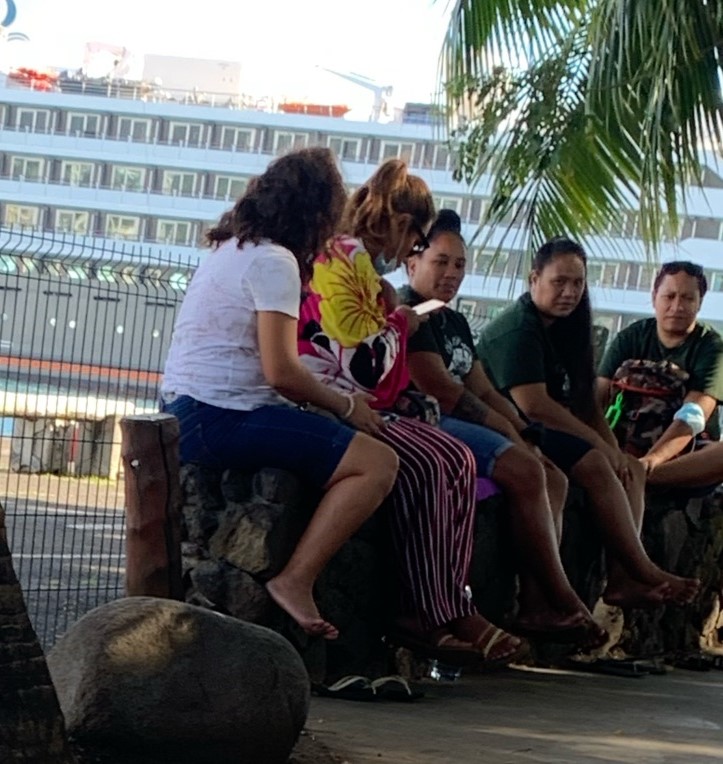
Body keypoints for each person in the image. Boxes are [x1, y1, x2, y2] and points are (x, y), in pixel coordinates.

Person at [159, 147, 399, 640]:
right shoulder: (275, 262)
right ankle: (296, 578)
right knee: (376, 463)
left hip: (189, 410)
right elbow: (281, 372)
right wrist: (347, 406)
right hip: (217, 417)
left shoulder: (232, 249)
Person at [297, 159, 526, 664]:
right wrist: (399, 321)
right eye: (420, 243)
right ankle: (430, 609)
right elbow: (364, 366)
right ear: (403, 228)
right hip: (331, 402)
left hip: (348, 400)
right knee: (437, 458)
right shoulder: (346, 261)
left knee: (454, 459)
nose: (414, 252)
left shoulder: (349, 260)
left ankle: (443, 605)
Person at [399, 209, 603, 643]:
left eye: (459, 264)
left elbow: (485, 388)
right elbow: (442, 389)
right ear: (412, 263)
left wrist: (522, 430)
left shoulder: (451, 320)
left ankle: (535, 605)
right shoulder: (408, 311)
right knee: (526, 469)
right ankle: (563, 594)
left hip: (472, 420)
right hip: (434, 421)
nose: (451, 273)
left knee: (553, 476)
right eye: (441, 261)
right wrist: (508, 434)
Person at [479, 237, 699, 608]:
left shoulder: (571, 326)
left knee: (627, 466)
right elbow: (535, 406)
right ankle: (642, 568)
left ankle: (622, 578)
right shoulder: (518, 329)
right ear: (535, 279)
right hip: (513, 428)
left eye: (578, 283)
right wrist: (598, 446)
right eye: (559, 282)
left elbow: (585, 402)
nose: (569, 292)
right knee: (596, 462)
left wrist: (612, 447)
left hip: (549, 428)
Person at [597, 261, 723, 488]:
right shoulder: (630, 337)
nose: (677, 306)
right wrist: (608, 451)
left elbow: (693, 416)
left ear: (700, 302)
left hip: (685, 451)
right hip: (620, 442)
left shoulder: (711, 346)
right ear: (654, 296)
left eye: (687, 298)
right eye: (670, 296)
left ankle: (640, 479)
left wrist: (650, 461)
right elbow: (597, 397)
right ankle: (627, 474)